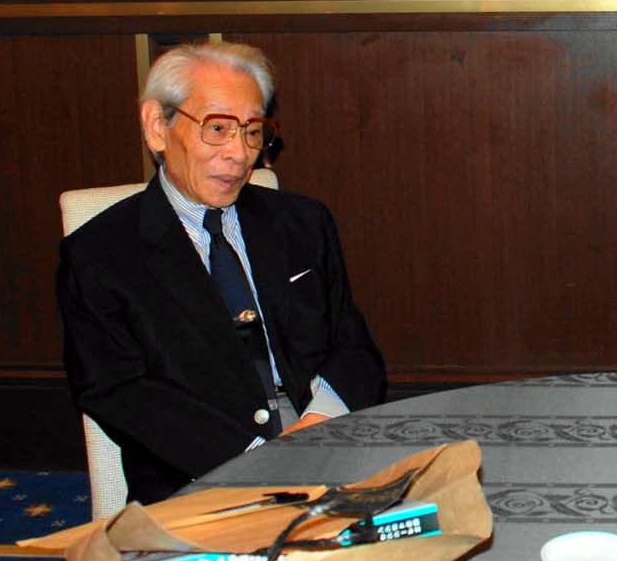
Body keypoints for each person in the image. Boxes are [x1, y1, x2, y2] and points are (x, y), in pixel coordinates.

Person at [57, 40, 386, 505]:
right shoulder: (100, 255)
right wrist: (255, 459)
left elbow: (353, 347)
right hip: (200, 473)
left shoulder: (302, 223)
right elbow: (118, 390)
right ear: (157, 126)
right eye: (217, 128)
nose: (239, 153)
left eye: (252, 131)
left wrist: (320, 424)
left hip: (324, 446)